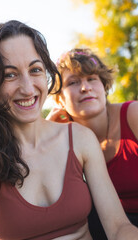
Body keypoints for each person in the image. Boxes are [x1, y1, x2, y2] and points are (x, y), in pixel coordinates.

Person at [0, 21, 138, 240]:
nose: (27, 88)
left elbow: (119, 227)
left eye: (35, 70)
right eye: (9, 75)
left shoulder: (80, 138)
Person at [46, 48, 138, 239]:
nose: (85, 87)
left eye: (91, 79)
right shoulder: (64, 136)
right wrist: (47, 129)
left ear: (104, 86)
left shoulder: (133, 115)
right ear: (59, 99)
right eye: (73, 82)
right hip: (112, 223)